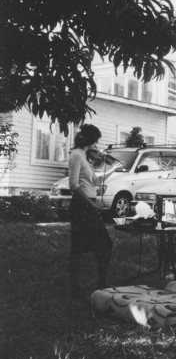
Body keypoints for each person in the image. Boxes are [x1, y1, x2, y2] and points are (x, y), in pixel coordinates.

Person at [68, 124, 113, 298]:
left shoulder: (86, 158)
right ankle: (76, 287)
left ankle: (101, 281)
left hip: (88, 204)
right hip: (81, 205)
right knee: (78, 247)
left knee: (104, 244)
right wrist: (91, 204)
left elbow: (93, 182)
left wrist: (110, 168)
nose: (97, 144)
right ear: (89, 139)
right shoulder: (76, 155)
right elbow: (73, 185)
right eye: (96, 140)